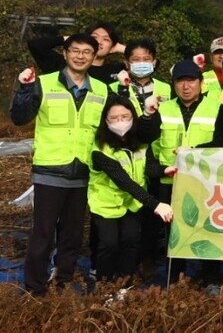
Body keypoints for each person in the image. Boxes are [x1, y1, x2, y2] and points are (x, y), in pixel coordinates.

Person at [12, 34, 111, 294]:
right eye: (75, 50)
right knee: (43, 234)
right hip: (50, 170)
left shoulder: (101, 89)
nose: (80, 56)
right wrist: (24, 90)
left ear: (94, 56)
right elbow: (19, 118)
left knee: (73, 235)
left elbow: (107, 128)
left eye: (86, 52)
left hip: (83, 171)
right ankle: (35, 288)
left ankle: (62, 284)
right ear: (65, 53)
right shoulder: (43, 83)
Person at [148, 60, 223, 287]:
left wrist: (193, 153)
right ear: (173, 85)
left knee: (207, 228)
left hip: (203, 180)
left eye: (191, 81)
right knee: (172, 232)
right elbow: (150, 145)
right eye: (180, 81)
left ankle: (210, 279)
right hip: (169, 180)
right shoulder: (162, 109)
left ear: (201, 83)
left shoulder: (216, 107)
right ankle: (174, 279)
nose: (186, 86)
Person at [88, 96, 173, 282]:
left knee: (131, 241)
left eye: (125, 117)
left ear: (133, 118)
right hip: (106, 204)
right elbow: (124, 181)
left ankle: (124, 284)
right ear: (105, 121)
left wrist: (165, 170)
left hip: (132, 204)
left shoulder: (140, 143)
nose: (121, 122)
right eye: (114, 118)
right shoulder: (101, 150)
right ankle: (104, 285)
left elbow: (149, 167)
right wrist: (156, 205)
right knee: (109, 244)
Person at [27, 22, 125, 84]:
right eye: (94, 37)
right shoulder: (64, 64)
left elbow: (138, 58)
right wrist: (71, 39)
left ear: (112, 47)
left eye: (106, 39)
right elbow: (36, 45)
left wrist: (123, 48)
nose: (99, 42)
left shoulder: (117, 71)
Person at [110, 39, 169, 116]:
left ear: (154, 62)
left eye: (146, 59)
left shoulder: (167, 88)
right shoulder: (113, 88)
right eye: (136, 59)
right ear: (126, 63)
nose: (141, 63)